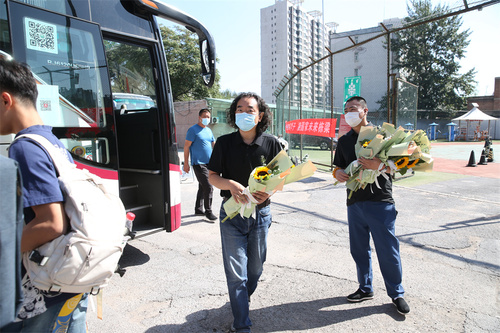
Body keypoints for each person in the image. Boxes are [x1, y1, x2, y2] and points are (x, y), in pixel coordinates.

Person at [0, 58, 88, 332]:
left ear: (5, 100)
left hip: (43, 285)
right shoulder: (51, 141)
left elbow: (51, 222)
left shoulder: (24, 147)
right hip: (69, 276)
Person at [208, 93, 282, 332]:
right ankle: (241, 323)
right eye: (239, 109)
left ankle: (242, 298)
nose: (243, 113)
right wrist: (230, 184)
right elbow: (213, 177)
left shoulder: (271, 144)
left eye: (249, 110)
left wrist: (268, 193)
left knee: (255, 268)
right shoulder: (224, 143)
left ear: (260, 115)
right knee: (236, 273)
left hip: (260, 215)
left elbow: (282, 178)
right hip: (232, 216)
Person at [332, 96, 410, 316]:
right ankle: (365, 288)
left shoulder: (382, 135)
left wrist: (381, 165)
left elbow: (403, 164)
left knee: (387, 249)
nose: (349, 113)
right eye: (346, 110)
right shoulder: (345, 140)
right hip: (354, 201)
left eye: (354, 109)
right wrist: (338, 173)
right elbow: (337, 167)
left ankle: (396, 293)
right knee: (359, 249)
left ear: (365, 110)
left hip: (380, 201)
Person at [183, 108, 217, 221]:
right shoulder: (193, 130)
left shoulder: (208, 130)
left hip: (209, 163)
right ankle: (208, 211)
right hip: (198, 163)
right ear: (199, 117)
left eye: (208, 117)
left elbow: (214, 145)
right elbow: (186, 146)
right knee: (208, 186)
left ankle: (198, 209)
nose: (207, 119)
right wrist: (186, 164)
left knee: (202, 186)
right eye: (205, 116)